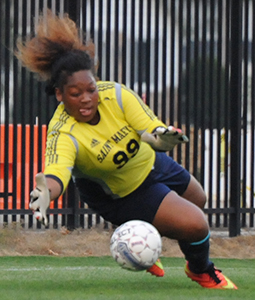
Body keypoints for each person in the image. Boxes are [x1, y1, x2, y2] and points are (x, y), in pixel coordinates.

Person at [15, 10, 237, 289]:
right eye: (75, 93)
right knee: (196, 224)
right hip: (124, 193)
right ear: (59, 95)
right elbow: (57, 172)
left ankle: (144, 239)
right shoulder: (63, 132)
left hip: (152, 162)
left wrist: (162, 138)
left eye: (91, 89)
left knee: (198, 199)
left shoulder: (116, 94)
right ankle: (201, 270)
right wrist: (48, 191)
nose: (87, 99)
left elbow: (149, 129)